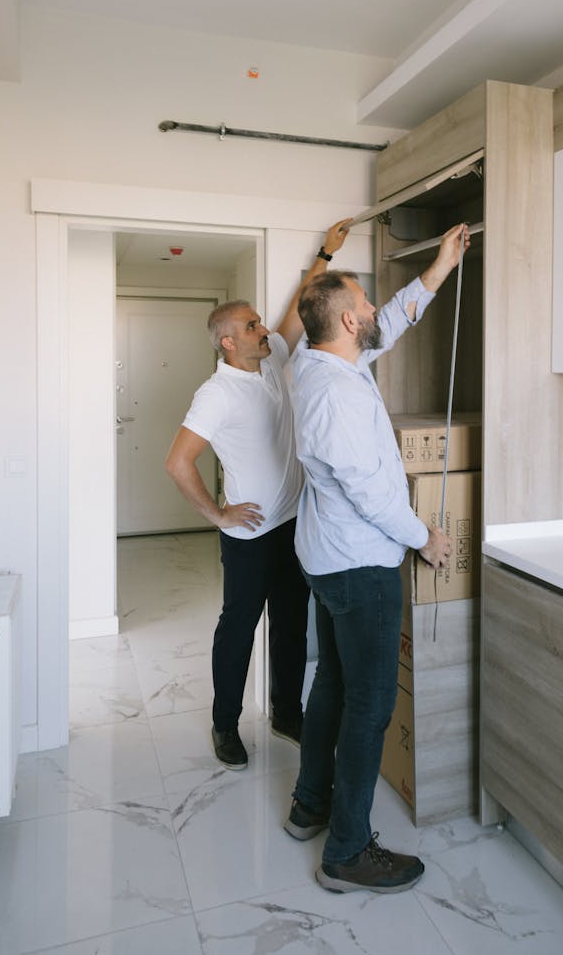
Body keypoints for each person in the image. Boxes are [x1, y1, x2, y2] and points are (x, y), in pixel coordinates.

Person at [283, 223, 468, 893]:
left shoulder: (320, 356)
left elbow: (389, 322)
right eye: (364, 301)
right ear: (346, 320)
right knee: (369, 703)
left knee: (333, 680)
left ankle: (310, 805)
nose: (372, 306)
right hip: (359, 566)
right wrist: (427, 536)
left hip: (328, 560)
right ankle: (347, 851)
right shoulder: (333, 390)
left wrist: (441, 266)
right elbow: (366, 491)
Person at [165, 218, 351, 770]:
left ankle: (286, 714)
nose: (261, 329)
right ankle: (226, 724)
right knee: (239, 629)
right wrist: (218, 513)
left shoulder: (271, 362)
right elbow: (177, 462)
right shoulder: (215, 394)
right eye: (250, 325)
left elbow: (295, 311)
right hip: (249, 535)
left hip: (294, 523)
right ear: (228, 340)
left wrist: (324, 253)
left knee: (293, 624)